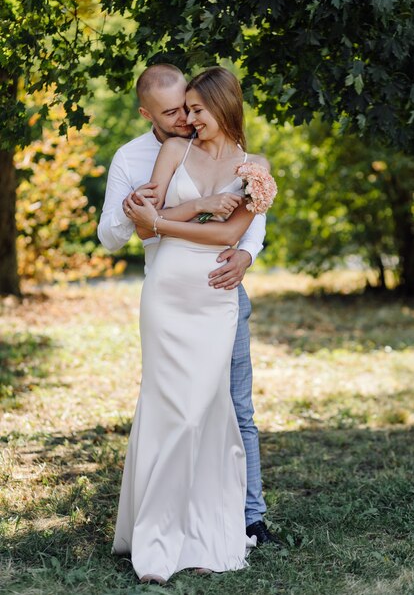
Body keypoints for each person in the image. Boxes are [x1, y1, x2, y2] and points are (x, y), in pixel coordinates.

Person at [98, 64, 278, 578]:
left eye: (195, 109)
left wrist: (239, 249)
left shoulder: (254, 168)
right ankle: (156, 529)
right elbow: (140, 228)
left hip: (219, 294)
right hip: (167, 291)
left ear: (220, 107)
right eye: (179, 111)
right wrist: (193, 209)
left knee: (216, 407)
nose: (187, 120)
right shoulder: (163, 152)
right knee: (167, 406)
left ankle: (233, 521)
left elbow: (232, 235)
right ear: (150, 114)